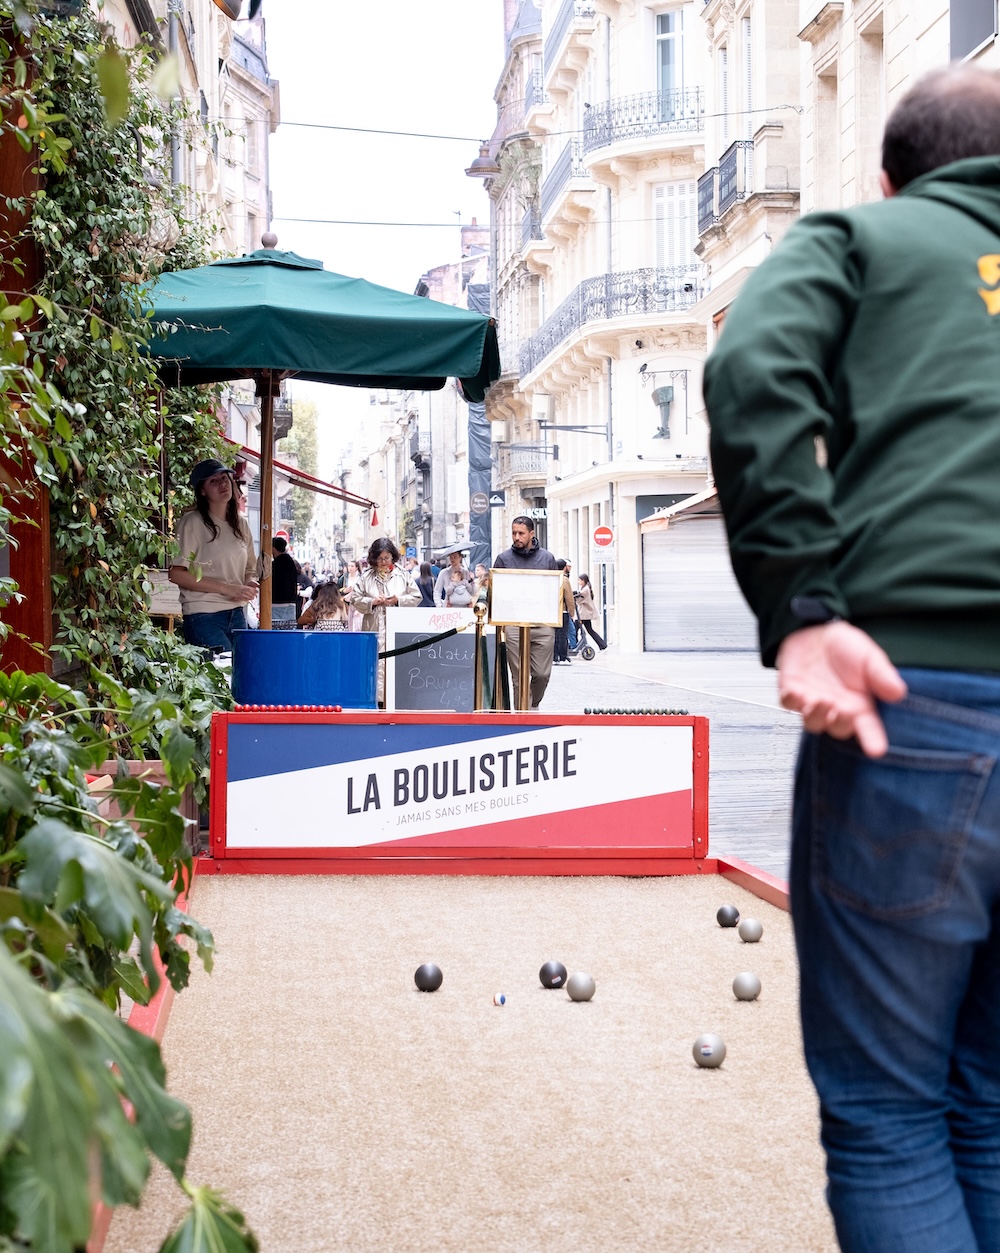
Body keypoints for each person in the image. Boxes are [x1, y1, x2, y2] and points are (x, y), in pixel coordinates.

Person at [703, 65, 1000, 1253]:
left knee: (886, 1110)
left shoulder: (864, 237)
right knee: (987, 1102)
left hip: (912, 701)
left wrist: (803, 602)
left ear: (890, 176)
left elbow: (750, 370)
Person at [169, 459, 258, 651]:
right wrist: (227, 589)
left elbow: (250, 567)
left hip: (237, 613)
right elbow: (176, 573)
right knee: (223, 673)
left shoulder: (240, 523)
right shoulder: (192, 522)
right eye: (213, 481)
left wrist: (249, 582)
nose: (222, 483)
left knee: (240, 674)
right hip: (203, 614)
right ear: (202, 491)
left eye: (224, 477)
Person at [493, 516, 557, 709]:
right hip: (513, 621)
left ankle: (533, 704)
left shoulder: (547, 558)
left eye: (521, 533)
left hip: (543, 622)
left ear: (531, 534)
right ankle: (523, 715)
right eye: (514, 533)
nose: (517, 537)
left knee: (541, 674)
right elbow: (495, 591)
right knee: (518, 675)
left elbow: (555, 590)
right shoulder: (503, 559)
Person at [348, 537, 421, 705]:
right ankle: (375, 701)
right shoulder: (366, 576)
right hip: (373, 627)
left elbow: (416, 597)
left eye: (386, 558)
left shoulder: (403, 574)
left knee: (397, 662)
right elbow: (355, 599)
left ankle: (397, 699)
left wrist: (398, 600)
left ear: (393, 557)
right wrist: (372, 602)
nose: (383, 561)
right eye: (379, 558)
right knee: (373, 664)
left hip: (397, 627)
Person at [270, 536, 300, 629]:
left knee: (275, 632)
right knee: (288, 631)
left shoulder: (275, 564)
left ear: (273, 548)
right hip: (291, 602)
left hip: (277, 603)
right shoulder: (291, 562)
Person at [575, 574, 607, 650]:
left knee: (575, 629)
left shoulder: (585, 590)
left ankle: (575, 645)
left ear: (583, 581)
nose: (578, 581)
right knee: (589, 630)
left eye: (579, 580)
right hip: (584, 614)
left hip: (583, 614)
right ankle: (602, 645)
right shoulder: (585, 588)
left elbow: (579, 598)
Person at [553, 559, 576, 664]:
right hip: (563, 611)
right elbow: (569, 597)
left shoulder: (552, 578)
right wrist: (572, 612)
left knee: (554, 635)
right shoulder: (564, 579)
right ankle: (563, 657)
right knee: (563, 634)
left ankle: (554, 657)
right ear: (564, 567)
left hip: (553, 611)